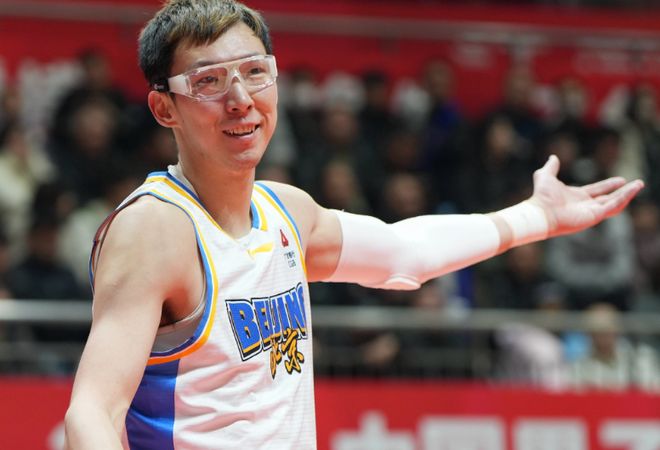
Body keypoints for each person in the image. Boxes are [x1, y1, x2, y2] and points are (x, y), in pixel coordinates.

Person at [63, 1, 644, 449]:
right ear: (165, 107)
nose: (240, 99)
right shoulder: (155, 229)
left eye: (255, 72)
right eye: (209, 81)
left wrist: (536, 216)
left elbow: (405, 254)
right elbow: (92, 412)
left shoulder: (286, 212)